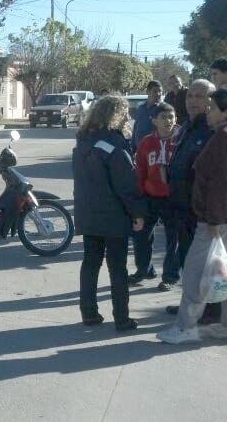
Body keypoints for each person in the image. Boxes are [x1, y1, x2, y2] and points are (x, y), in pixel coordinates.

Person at [158, 88, 227, 344]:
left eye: (211, 108)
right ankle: (223, 326)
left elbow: (219, 182)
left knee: (195, 275)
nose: (206, 112)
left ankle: (185, 328)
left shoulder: (222, 137)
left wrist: (214, 220)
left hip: (213, 221)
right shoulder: (218, 134)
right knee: (221, 272)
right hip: (218, 219)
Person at [73, 96, 147, 332]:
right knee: (117, 268)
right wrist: (137, 213)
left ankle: (89, 313)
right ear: (117, 115)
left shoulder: (83, 143)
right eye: (125, 113)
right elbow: (126, 185)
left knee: (90, 264)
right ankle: (122, 319)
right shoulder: (114, 145)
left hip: (88, 215)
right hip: (113, 218)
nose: (128, 118)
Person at [164, 80, 218, 316]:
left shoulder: (212, 131)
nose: (193, 101)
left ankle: (209, 310)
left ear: (210, 101)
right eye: (190, 97)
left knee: (207, 264)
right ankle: (191, 303)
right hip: (181, 209)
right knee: (188, 262)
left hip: (201, 212)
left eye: (199, 96)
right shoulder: (187, 127)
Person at [129, 102, 180, 291]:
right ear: (154, 121)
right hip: (149, 197)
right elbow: (140, 170)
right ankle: (144, 269)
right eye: (164, 117)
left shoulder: (181, 139)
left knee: (173, 239)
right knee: (140, 235)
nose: (168, 121)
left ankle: (169, 277)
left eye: (171, 117)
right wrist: (139, 195)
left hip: (173, 199)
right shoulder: (146, 142)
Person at [132, 80, 164, 151]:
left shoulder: (162, 110)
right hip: (139, 150)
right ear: (148, 91)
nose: (158, 94)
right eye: (155, 91)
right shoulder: (140, 108)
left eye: (160, 91)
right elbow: (136, 128)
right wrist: (133, 148)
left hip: (154, 151)